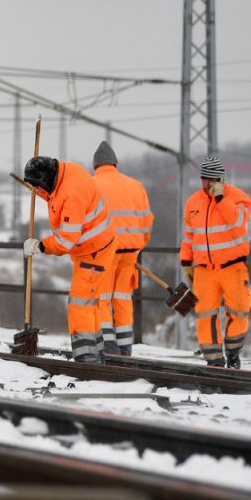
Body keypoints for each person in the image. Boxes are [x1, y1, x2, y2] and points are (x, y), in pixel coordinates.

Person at [22, 156, 118, 362]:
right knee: (89, 304)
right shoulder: (66, 174)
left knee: (79, 304)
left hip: (94, 251)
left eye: (38, 185)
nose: (37, 190)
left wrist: (40, 246)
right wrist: (44, 193)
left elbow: (66, 241)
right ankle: (97, 354)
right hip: (95, 248)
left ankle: (86, 358)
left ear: (46, 179)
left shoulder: (72, 193)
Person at [180, 156, 251, 368]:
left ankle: (233, 353)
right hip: (204, 270)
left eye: (211, 179)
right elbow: (189, 236)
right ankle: (214, 361)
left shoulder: (239, 198)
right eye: (204, 179)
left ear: (220, 179)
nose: (206, 184)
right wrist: (186, 261)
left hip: (234, 267)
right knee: (204, 315)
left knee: (239, 311)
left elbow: (238, 221)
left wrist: (221, 199)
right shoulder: (193, 202)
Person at [91, 142, 154, 355]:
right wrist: (138, 245)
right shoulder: (136, 186)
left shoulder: (92, 185)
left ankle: (109, 346)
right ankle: (125, 347)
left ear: (95, 166)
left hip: (104, 252)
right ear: (115, 164)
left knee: (103, 298)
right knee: (123, 299)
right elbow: (147, 222)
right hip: (130, 252)